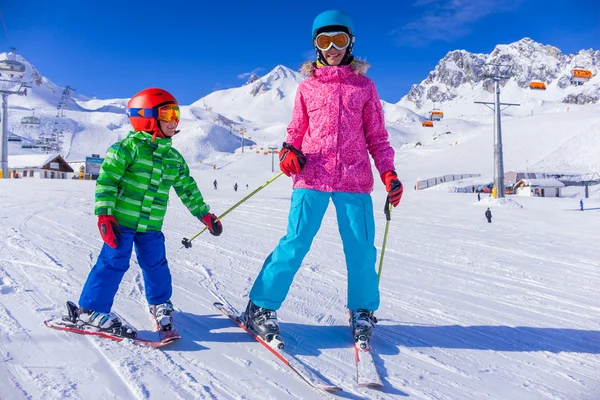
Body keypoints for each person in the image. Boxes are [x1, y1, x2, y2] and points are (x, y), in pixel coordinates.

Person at [243, 10, 403, 345]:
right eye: (324, 41)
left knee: (360, 249)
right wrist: (288, 151)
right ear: (316, 45)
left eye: (339, 40)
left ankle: (362, 310)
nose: (332, 48)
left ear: (351, 43)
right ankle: (260, 307)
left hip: (355, 180)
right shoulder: (308, 88)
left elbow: (377, 136)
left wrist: (388, 173)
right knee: (295, 242)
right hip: (311, 176)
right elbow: (295, 131)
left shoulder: (364, 87)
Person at [76, 88, 223, 337]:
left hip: (151, 226)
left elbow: (187, 189)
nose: (174, 120)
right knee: (113, 263)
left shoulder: (173, 157)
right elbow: (107, 181)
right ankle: (90, 310)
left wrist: (204, 215)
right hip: (121, 223)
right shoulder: (125, 149)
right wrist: (105, 214)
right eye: (167, 113)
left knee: (156, 265)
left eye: (176, 114)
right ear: (145, 115)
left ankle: (160, 303)